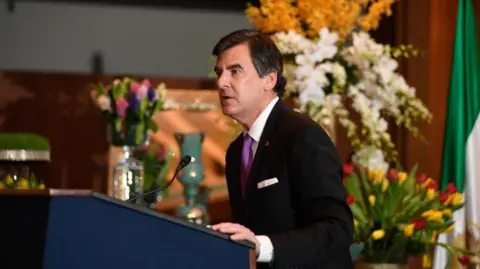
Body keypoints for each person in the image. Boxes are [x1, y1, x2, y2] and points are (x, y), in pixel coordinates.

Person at [210, 29, 354, 269]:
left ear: (269, 79)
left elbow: (336, 230)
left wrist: (262, 247)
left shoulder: (302, 136)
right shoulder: (236, 152)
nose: (221, 82)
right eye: (219, 73)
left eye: (234, 71)